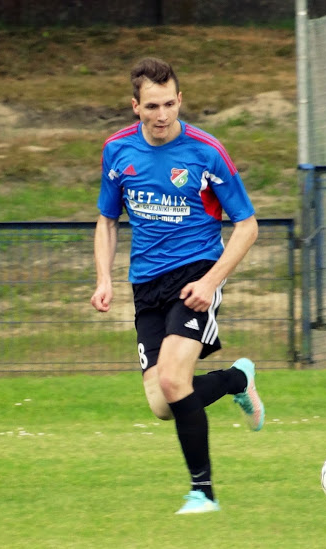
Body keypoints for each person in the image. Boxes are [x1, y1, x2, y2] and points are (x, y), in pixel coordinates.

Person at [90, 57, 264, 515]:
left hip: (195, 275)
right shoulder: (117, 150)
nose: (162, 114)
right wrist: (104, 277)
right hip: (146, 284)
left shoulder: (207, 152)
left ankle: (202, 493)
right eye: (152, 106)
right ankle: (237, 379)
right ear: (136, 106)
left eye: (169, 104)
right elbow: (107, 219)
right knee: (163, 403)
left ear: (180, 100)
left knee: (172, 379)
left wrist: (211, 281)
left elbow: (247, 226)